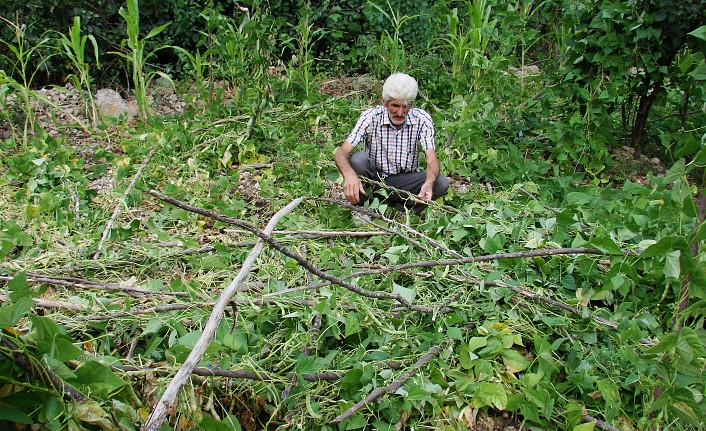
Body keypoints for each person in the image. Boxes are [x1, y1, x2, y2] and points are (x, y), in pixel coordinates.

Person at [333, 72, 449, 213]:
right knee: (358, 160)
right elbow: (341, 153)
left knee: (441, 183)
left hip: (404, 181)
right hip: (375, 179)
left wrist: (429, 183)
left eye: (406, 106)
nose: (400, 112)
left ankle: (401, 211)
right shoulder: (370, 117)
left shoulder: (422, 119)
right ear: (384, 102)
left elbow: (431, 159)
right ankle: (364, 208)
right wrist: (349, 175)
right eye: (395, 105)